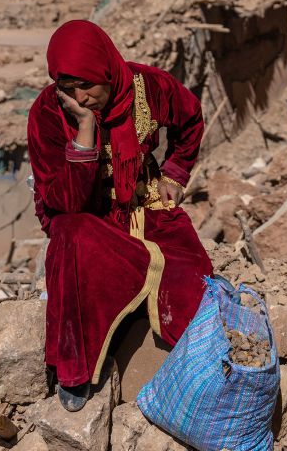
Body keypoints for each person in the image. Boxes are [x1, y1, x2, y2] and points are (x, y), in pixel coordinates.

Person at [27, 20, 214, 412]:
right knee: (71, 240)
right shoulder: (48, 113)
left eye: (87, 85)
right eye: (67, 87)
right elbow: (66, 201)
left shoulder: (148, 87)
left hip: (142, 202)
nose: (80, 97)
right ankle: (76, 371)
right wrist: (85, 129)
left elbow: (191, 118)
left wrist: (175, 174)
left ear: (106, 71)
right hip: (85, 216)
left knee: (191, 286)